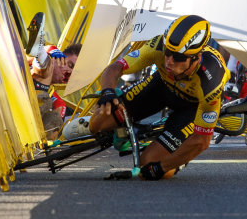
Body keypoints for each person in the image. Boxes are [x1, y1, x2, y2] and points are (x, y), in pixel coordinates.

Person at [88, 15, 229, 180]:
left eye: (178, 57)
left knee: (147, 168)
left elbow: (201, 141)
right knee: (97, 123)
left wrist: (162, 167)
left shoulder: (211, 81)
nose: (169, 61)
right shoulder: (158, 45)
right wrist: (107, 91)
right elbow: (115, 67)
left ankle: (177, 161)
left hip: (191, 108)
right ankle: (122, 128)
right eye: (167, 53)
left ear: (196, 58)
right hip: (162, 87)